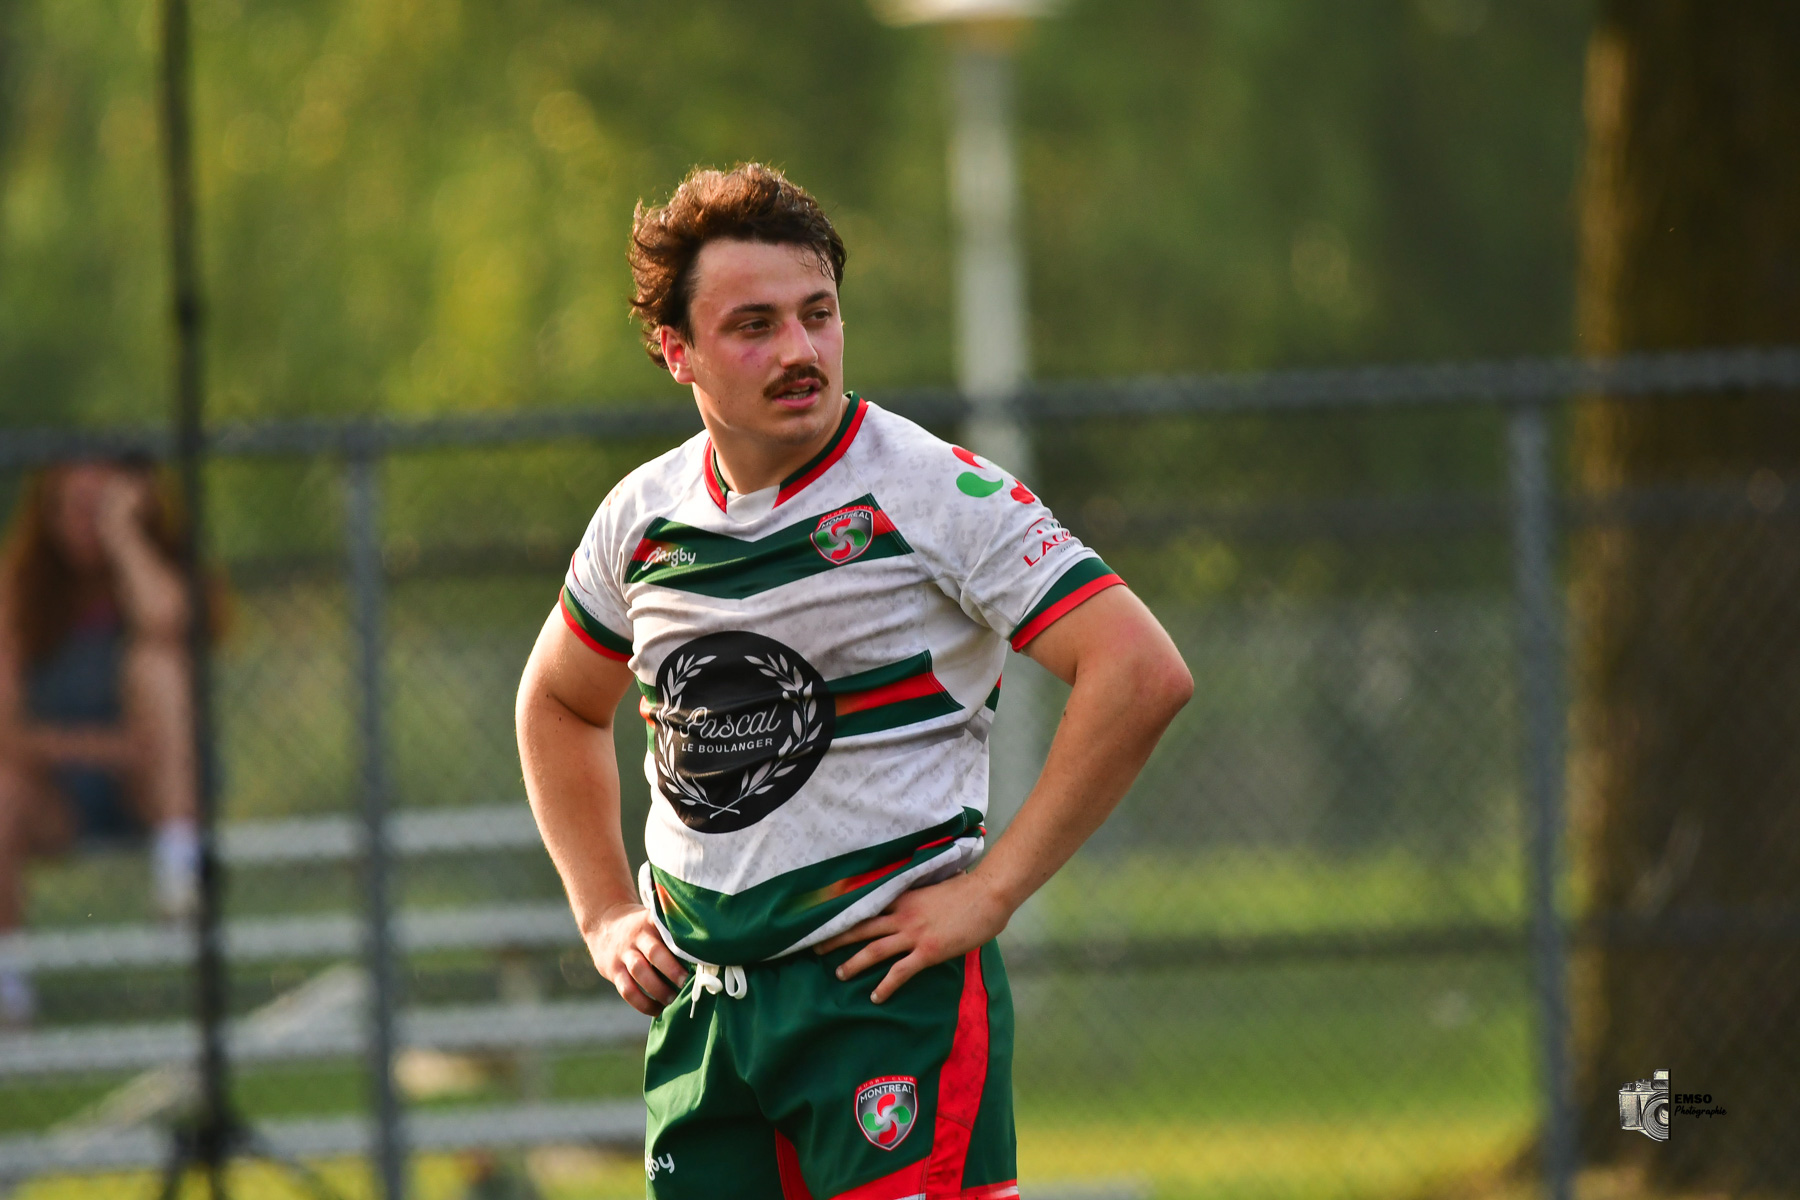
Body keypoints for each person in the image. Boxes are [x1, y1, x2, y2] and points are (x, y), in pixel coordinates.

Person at [516, 164, 1192, 1200]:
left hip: (883, 1003)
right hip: (706, 1021)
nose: (798, 351)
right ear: (675, 351)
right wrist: (605, 912)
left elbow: (1138, 671)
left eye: (817, 314)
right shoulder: (642, 520)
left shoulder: (931, 490)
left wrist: (992, 894)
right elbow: (558, 703)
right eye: (753, 325)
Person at [0, 458, 203, 1026]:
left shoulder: (158, 575)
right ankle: (8, 989)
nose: (83, 522)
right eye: (72, 508)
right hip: (63, 795)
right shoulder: (20, 595)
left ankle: (180, 877)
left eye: (100, 508)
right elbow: (8, 734)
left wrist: (124, 537)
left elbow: (166, 621)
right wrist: (112, 747)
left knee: (156, 664)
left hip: (158, 789)